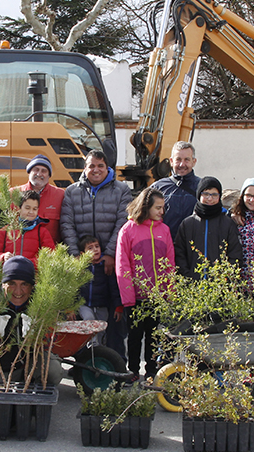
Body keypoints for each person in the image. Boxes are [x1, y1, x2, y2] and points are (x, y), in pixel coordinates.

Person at [60, 150, 132, 357]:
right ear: (85, 168)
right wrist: (76, 256)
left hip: (111, 265)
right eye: (91, 165)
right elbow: (67, 224)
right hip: (82, 266)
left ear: (107, 167)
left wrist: (109, 253)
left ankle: (117, 362)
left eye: (100, 165)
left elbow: (122, 223)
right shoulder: (72, 192)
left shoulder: (121, 190)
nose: (96, 170)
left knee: (115, 317)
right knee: (84, 320)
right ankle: (84, 364)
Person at [116, 188, 175, 378]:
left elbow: (169, 263)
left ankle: (151, 372)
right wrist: (128, 297)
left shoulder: (164, 230)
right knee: (134, 338)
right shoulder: (128, 229)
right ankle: (133, 370)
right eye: (158, 208)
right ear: (146, 207)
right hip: (135, 298)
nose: (161, 212)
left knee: (153, 337)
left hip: (157, 297)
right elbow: (122, 265)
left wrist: (169, 292)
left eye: (163, 208)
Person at [0, 256, 63, 386]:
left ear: (32, 286)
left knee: (52, 371)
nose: (18, 291)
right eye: (11, 283)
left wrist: (37, 337)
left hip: (31, 363)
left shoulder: (42, 303)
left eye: (24, 284)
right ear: (3, 284)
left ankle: (33, 384)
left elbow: (52, 338)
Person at [174, 176, 243, 279]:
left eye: (214, 195)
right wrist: (187, 277)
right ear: (199, 195)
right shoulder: (188, 224)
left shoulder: (227, 223)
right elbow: (180, 254)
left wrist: (226, 279)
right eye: (205, 194)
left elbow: (235, 254)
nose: (210, 199)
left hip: (220, 287)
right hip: (192, 288)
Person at [76, 235, 122, 346]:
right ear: (83, 253)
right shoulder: (80, 268)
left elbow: (114, 288)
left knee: (101, 329)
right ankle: (91, 346)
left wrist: (118, 306)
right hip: (84, 305)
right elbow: (73, 288)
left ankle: (99, 351)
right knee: (89, 319)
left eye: (97, 246)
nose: (95, 249)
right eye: (90, 248)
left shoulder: (105, 267)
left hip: (101, 305)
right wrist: (70, 309)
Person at [0, 190, 56, 264]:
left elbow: (50, 256)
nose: (31, 212)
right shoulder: (5, 231)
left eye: (34, 209)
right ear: (19, 208)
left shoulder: (42, 232)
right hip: (9, 273)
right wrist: (2, 257)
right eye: (27, 208)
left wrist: (25, 263)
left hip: (33, 273)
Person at [153, 141, 201, 239]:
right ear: (171, 161)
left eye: (187, 160)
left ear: (194, 161)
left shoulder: (202, 186)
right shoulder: (157, 188)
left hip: (193, 246)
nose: (182, 164)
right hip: (164, 245)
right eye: (178, 159)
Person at [14, 154, 66, 243]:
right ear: (29, 172)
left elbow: (66, 226)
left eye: (44, 171)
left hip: (50, 252)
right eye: (36, 169)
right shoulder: (13, 194)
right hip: (20, 251)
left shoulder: (61, 195)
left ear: (49, 175)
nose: (39, 174)